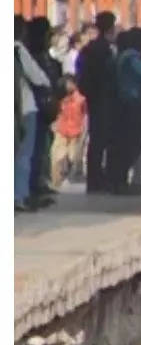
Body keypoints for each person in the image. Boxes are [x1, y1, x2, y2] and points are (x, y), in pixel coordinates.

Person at [108, 28, 141, 195]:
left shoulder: (122, 56)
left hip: (123, 104)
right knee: (131, 145)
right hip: (132, 104)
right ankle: (120, 181)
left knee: (125, 144)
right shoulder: (133, 58)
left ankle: (118, 181)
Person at [76, 11, 118, 194]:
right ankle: (100, 179)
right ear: (110, 27)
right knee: (103, 139)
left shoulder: (88, 49)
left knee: (95, 139)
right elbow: (111, 74)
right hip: (105, 97)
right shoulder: (107, 50)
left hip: (93, 97)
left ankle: (93, 179)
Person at [25, 16, 62, 205]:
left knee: (42, 146)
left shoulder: (44, 55)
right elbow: (40, 78)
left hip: (41, 107)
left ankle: (39, 181)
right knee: (32, 150)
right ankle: (30, 187)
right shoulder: (28, 53)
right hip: (34, 106)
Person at [15, 17, 51, 211]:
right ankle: (19, 196)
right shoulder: (18, 49)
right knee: (24, 154)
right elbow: (39, 78)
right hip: (24, 108)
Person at [50, 75, 87, 193]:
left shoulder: (81, 99)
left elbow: (85, 115)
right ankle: (56, 182)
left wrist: (84, 130)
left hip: (76, 132)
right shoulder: (61, 97)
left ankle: (70, 177)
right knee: (57, 157)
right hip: (62, 131)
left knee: (73, 157)